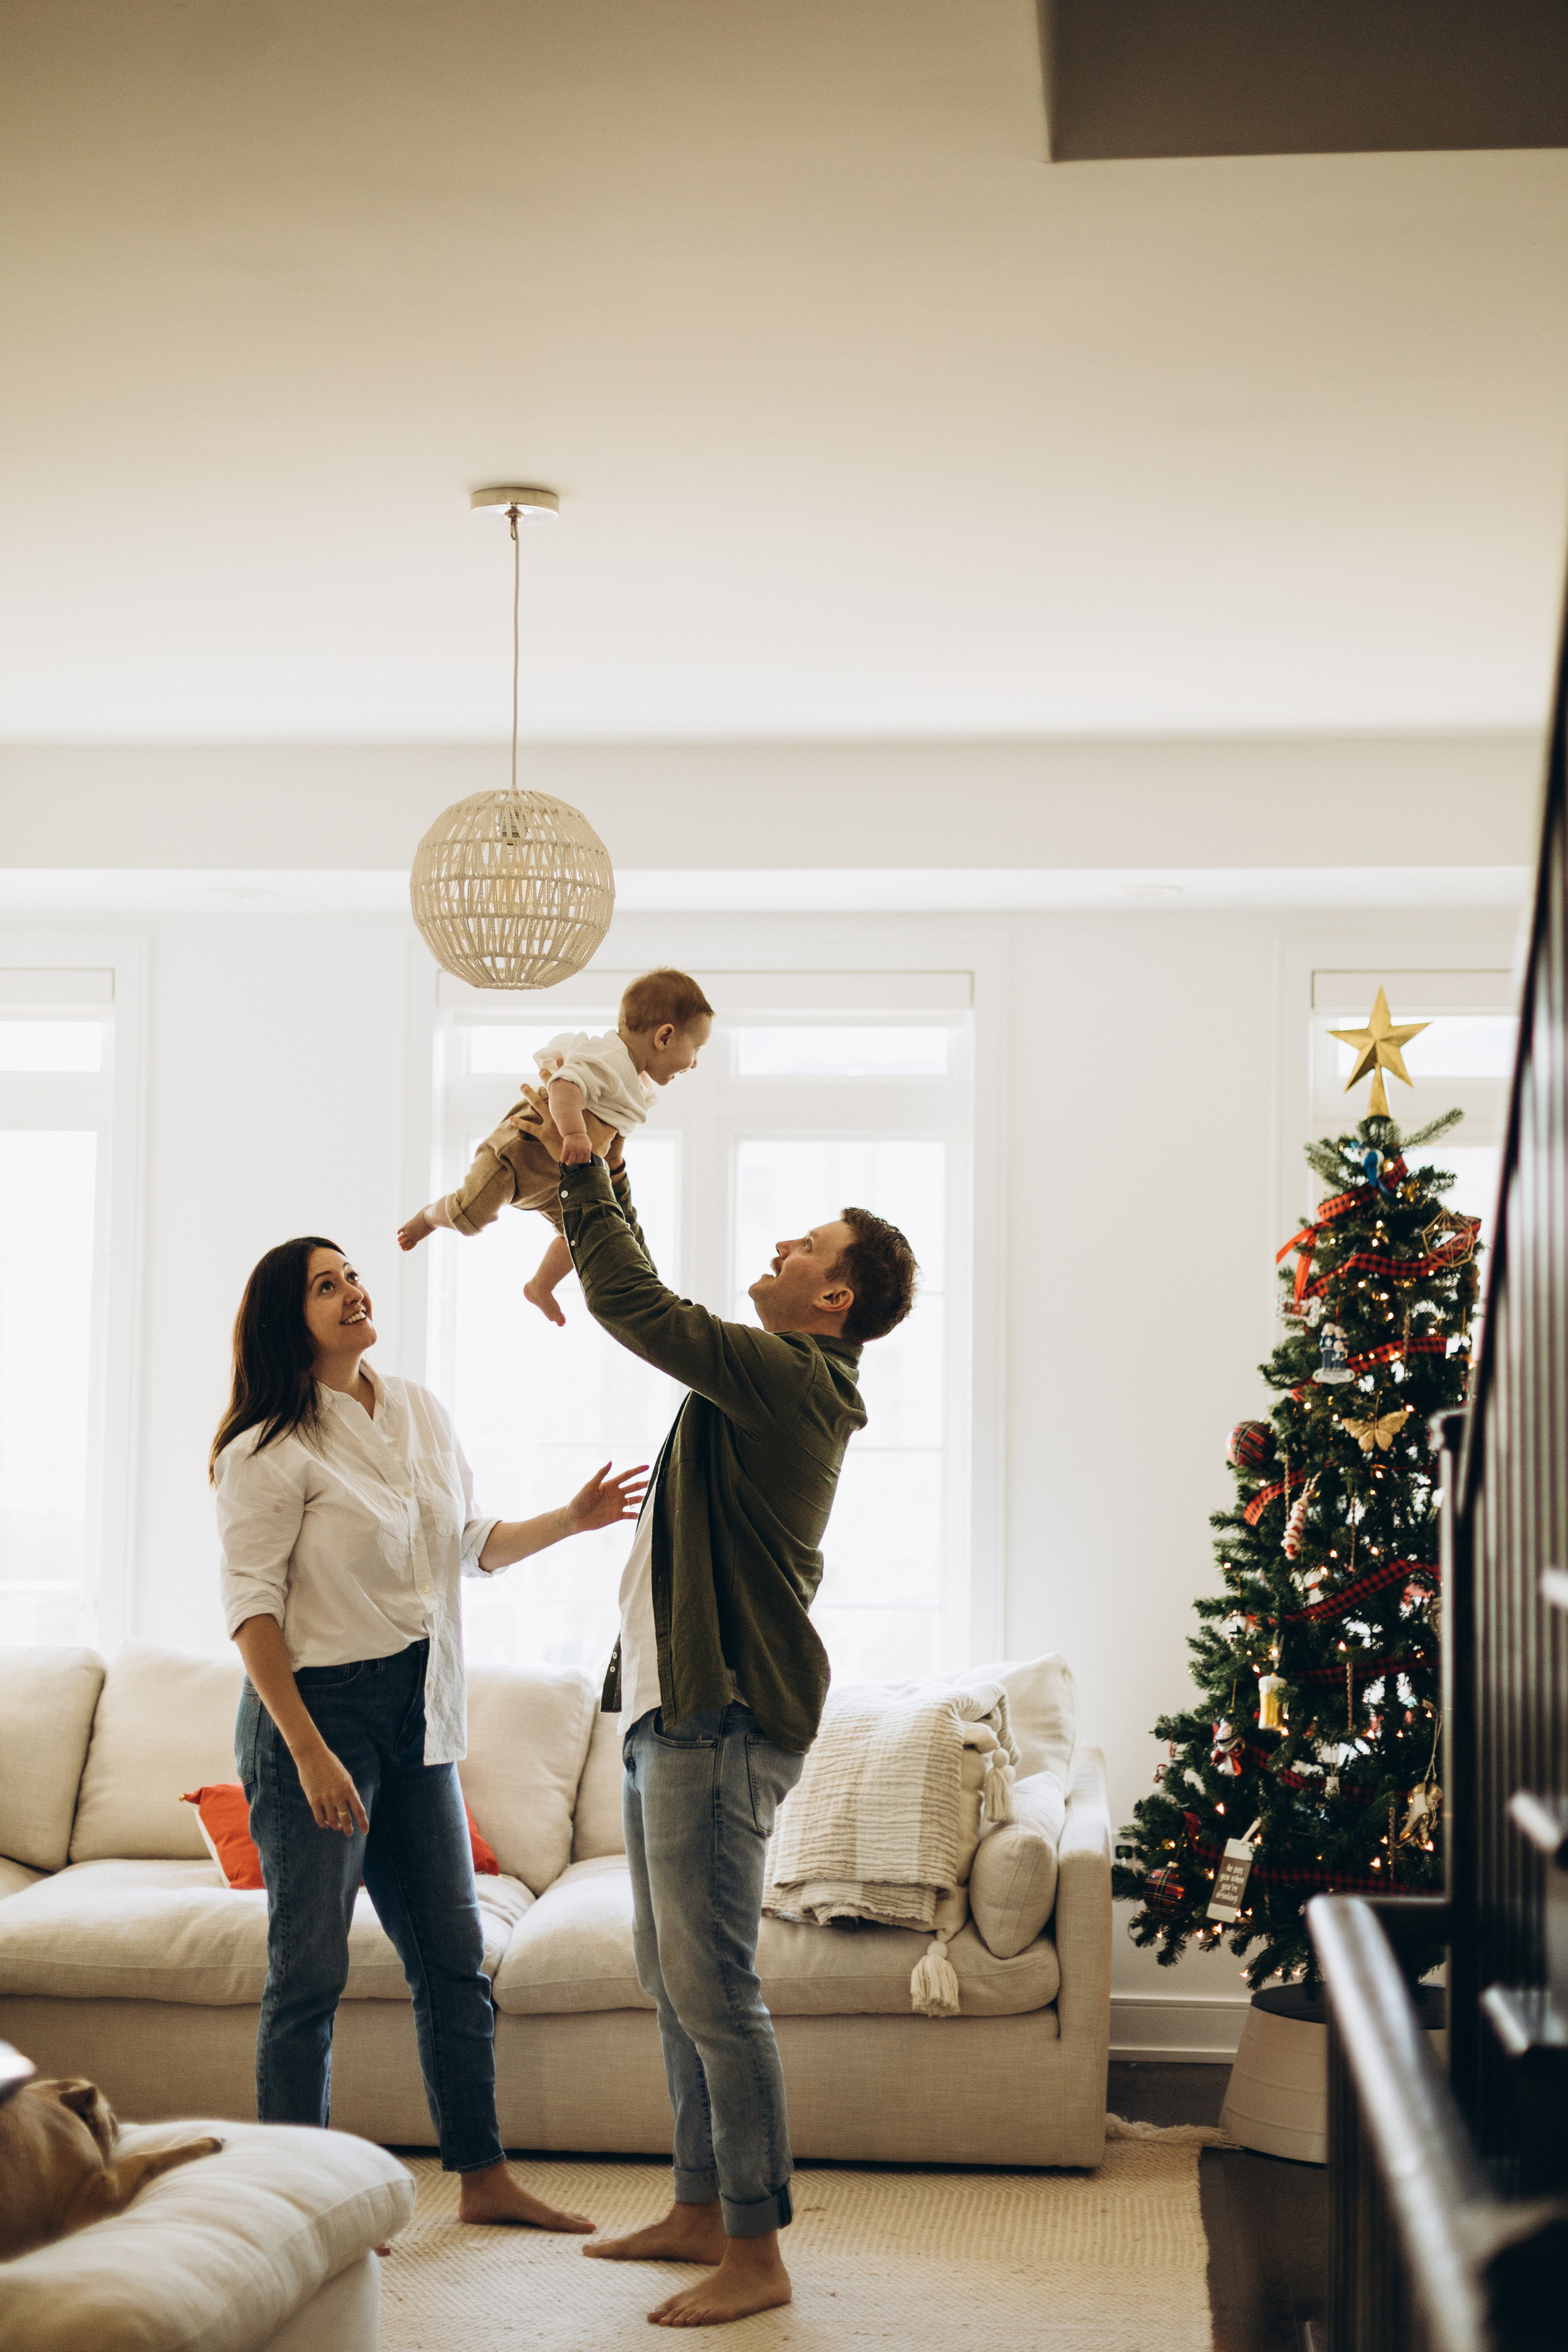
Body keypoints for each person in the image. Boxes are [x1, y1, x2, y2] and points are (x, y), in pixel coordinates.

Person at [526, 1091, 918, 2328]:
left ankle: (755, 2250)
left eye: (799, 1245)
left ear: (834, 1296)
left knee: (713, 1986)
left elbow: (637, 1307)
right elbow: (651, 1298)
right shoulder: (767, 1376)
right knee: (670, 1972)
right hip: (669, 1711)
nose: (776, 1252)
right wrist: (608, 1182)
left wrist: (587, 1173)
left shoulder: (795, 1380)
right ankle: (699, 2204)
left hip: (723, 1717)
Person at [211, 1234, 647, 2231]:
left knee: (453, 1954)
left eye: (353, 1275)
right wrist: (311, 1753)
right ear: (292, 1320)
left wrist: (570, 1521)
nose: (353, 1291)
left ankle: (484, 2179)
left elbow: (467, 1544)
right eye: (327, 1286)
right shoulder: (265, 1450)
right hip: (313, 1719)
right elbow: (252, 1615)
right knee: (310, 1972)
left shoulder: (414, 1408)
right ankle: (296, 2207)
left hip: (420, 1711)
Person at [396, 967, 715, 1326]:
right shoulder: (609, 1057)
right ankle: (428, 1217)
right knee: (471, 1217)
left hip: (557, 1178)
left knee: (579, 1240)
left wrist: (610, 1160)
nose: (696, 1062)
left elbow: (614, 1140)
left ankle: (541, 1286)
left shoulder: (636, 1085)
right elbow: (565, 1085)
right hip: (518, 1155)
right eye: (697, 1048)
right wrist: (576, 1135)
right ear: (665, 1037)